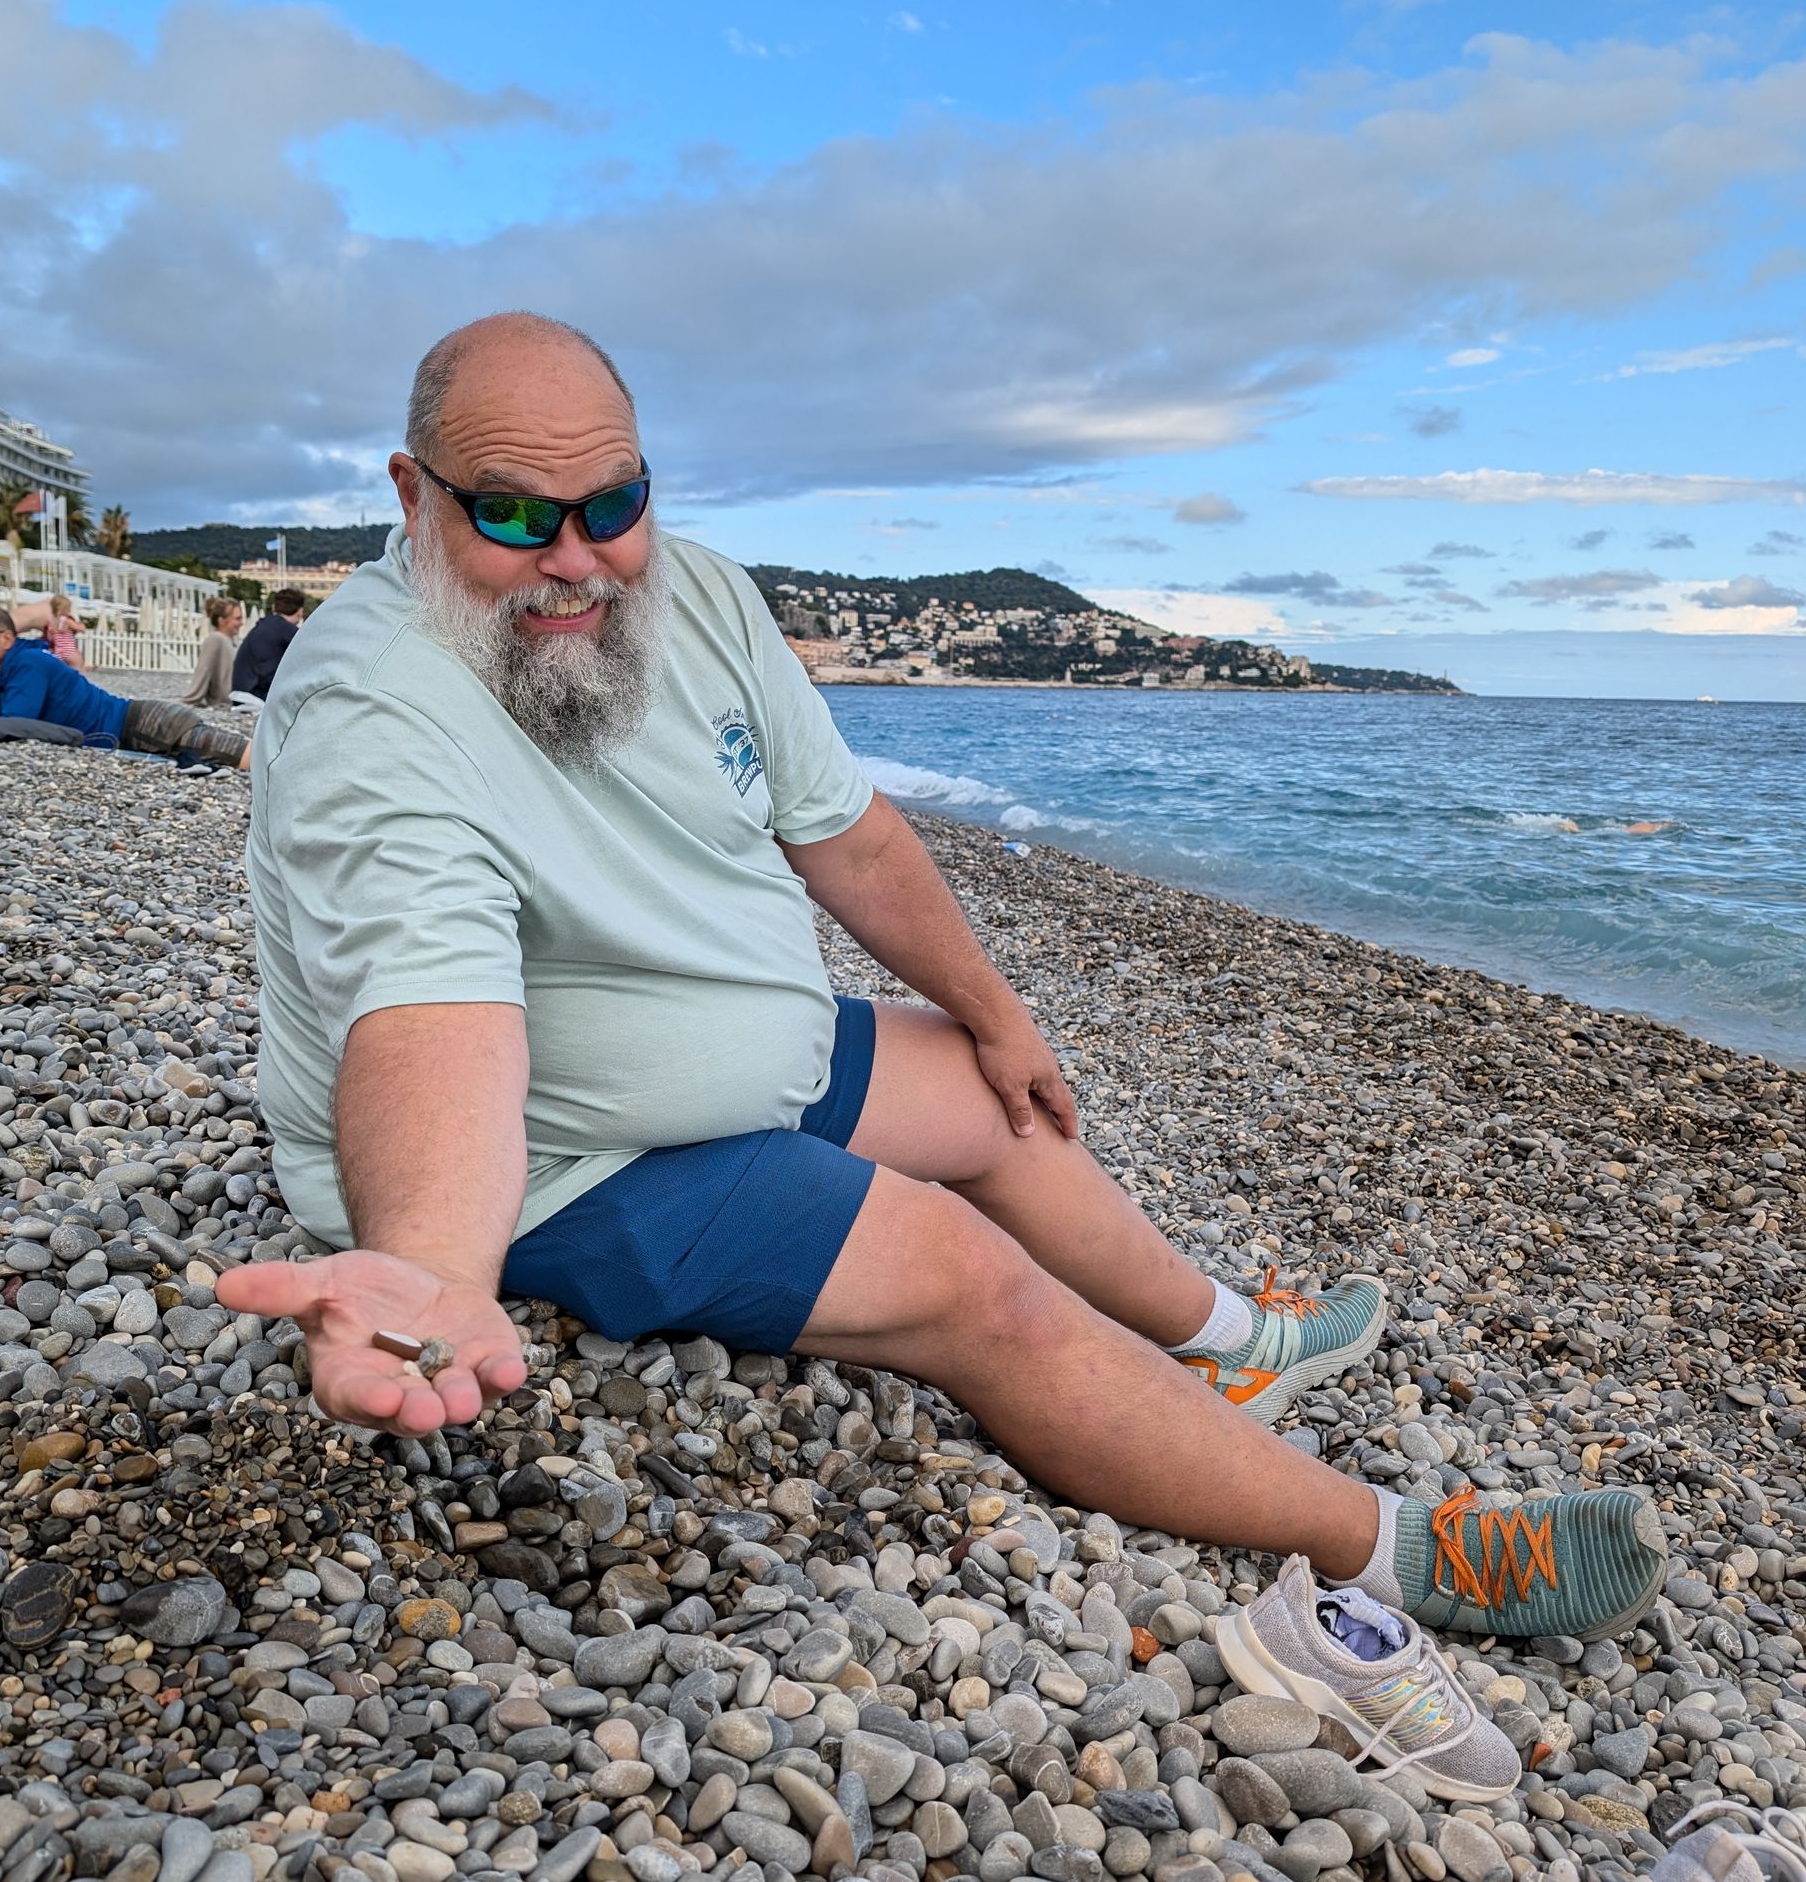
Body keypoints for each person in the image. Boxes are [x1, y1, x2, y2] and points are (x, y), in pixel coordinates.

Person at [219, 310, 1668, 1643]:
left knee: (992, 1093)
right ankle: (1399, 1547)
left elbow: (848, 836)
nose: (575, 558)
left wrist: (1000, 1012)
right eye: (515, 514)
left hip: (713, 1039)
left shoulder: (694, 599)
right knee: (985, 1287)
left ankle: (1229, 1339)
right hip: (568, 1155)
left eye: (611, 504)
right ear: (413, 495)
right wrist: (431, 1278)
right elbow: (437, 1025)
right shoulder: (376, 705)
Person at [0, 606, 252, 769]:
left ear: (5, 637)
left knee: (252, 757)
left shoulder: (27, 665)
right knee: (252, 756)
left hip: (147, 723)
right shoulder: (10, 666)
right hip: (140, 724)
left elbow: (14, 725)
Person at [231, 587, 306, 701]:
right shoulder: (286, 630)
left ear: (274, 607)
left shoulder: (264, 626)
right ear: (300, 612)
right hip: (256, 695)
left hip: (241, 692)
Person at [182, 597, 244, 708]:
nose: (241, 623)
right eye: (237, 619)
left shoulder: (230, 641)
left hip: (235, 702)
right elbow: (204, 670)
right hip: (226, 703)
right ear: (221, 620)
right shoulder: (215, 639)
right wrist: (191, 699)